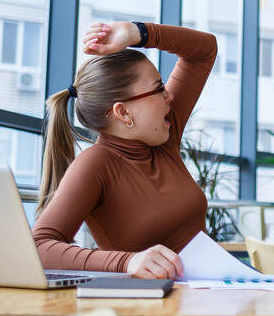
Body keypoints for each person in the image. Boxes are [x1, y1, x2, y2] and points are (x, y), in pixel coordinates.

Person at [32, 20, 217, 280]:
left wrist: (136, 33)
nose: (170, 97)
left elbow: (203, 51)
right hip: (160, 307)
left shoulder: (162, 136)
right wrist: (126, 262)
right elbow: (38, 247)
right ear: (122, 111)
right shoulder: (95, 164)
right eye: (158, 88)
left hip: (216, 287)